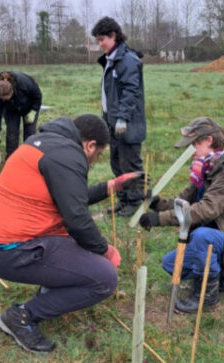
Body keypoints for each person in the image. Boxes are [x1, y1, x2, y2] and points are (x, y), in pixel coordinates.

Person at [0, 114, 142, 352]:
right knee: (104, 278)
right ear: (90, 145)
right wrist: (106, 251)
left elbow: (68, 195)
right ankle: (22, 316)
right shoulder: (68, 156)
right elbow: (77, 219)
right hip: (9, 250)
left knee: (76, 246)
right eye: (98, 155)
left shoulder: (43, 143)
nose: (95, 161)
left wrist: (112, 186)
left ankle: (52, 285)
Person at [139, 117, 224, 314]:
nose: (190, 151)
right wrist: (156, 203)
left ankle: (207, 297)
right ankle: (218, 274)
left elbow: (206, 210)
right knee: (171, 264)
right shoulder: (205, 172)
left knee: (201, 236)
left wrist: (159, 220)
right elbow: (181, 202)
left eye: (194, 144)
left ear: (208, 140)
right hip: (214, 239)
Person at [91, 16, 146, 217]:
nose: (99, 44)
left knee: (129, 163)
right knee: (116, 162)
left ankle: (136, 202)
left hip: (127, 123)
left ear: (113, 36)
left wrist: (122, 117)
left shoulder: (128, 61)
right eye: (97, 40)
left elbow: (131, 91)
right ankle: (123, 201)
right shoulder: (111, 59)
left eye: (102, 39)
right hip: (112, 122)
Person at [0, 70, 42, 160]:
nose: (4, 101)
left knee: (29, 135)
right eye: (2, 100)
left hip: (29, 107)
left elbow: (38, 96)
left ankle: (30, 159)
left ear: (12, 91)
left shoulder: (24, 82)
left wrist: (34, 110)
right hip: (11, 110)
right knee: (11, 135)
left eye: (6, 99)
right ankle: (12, 160)